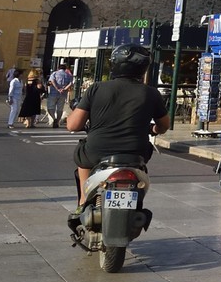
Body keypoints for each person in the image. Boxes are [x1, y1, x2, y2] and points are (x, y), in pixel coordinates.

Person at [66, 45, 169, 207]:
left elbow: (73, 125)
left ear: (114, 64)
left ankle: (84, 200)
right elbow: (163, 125)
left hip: (97, 152)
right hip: (136, 152)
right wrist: (154, 129)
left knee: (82, 159)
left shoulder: (97, 88)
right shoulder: (151, 93)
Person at [46, 64, 74, 128]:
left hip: (53, 93)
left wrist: (57, 88)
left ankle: (54, 118)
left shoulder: (54, 73)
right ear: (65, 69)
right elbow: (71, 83)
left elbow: (52, 81)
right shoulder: (69, 75)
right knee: (60, 108)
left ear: (58, 68)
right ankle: (58, 120)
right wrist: (64, 89)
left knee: (50, 107)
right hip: (63, 94)